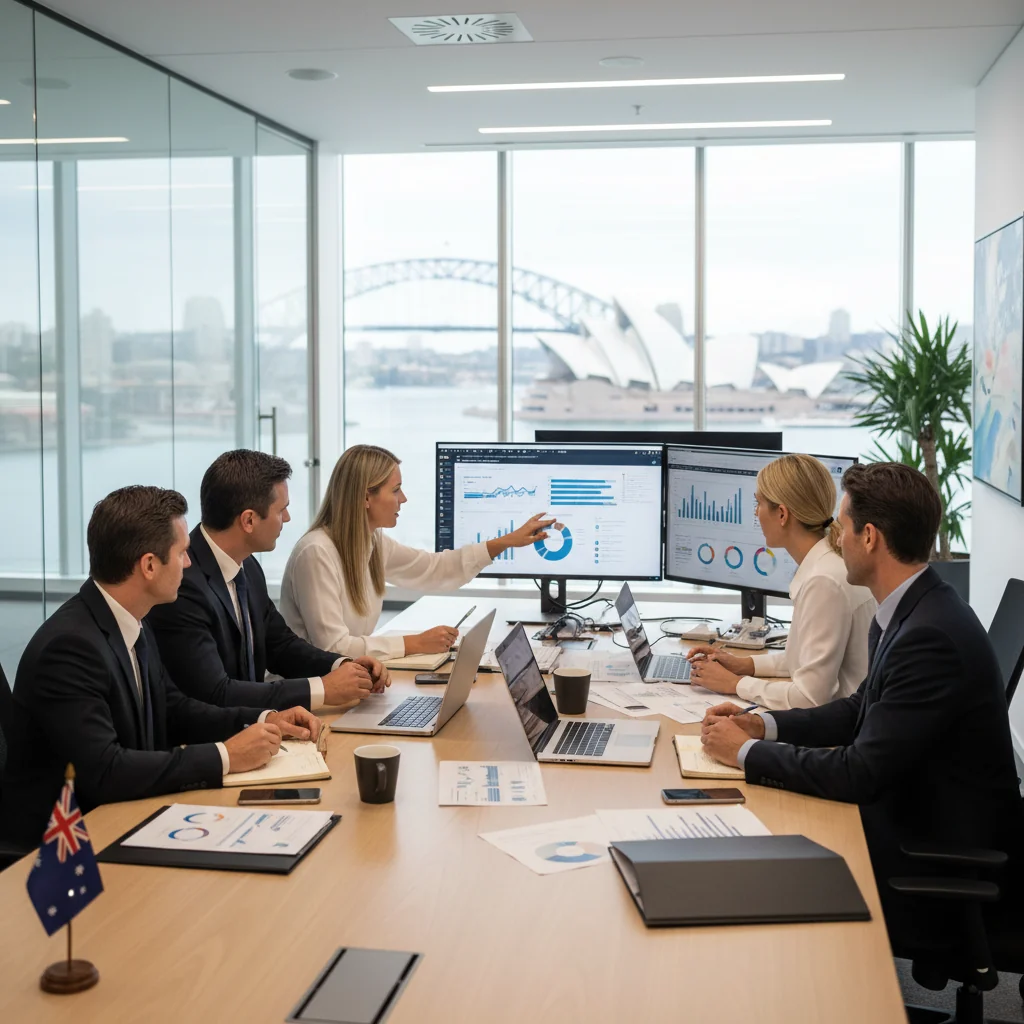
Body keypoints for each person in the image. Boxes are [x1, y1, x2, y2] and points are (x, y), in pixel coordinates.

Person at [700, 462, 1024, 949]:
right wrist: (760, 726)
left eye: (843, 527)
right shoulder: (911, 607)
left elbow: (860, 773)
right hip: (914, 809)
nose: (837, 539)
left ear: (869, 537)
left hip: (930, 847)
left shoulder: (929, 635)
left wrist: (743, 756)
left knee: (755, 867)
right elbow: (857, 710)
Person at [0, 486, 321, 848]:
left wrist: (265, 719)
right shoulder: (69, 648)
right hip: (62, 851)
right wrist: (226, 756)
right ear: (149, 565)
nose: (189, 563)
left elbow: (174, 708)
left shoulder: (132, 618)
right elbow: (107, 769)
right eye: (182, 552)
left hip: (125, 817)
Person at [147, 450, 389, 711]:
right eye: (281, 510)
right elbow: (215, 693)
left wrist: (343, 665)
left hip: (256, 727)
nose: (287, 518)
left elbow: (280, 645)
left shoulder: (247, 566)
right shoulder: (183, 584)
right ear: (249, 520)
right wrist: (323, 689)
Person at [280, 444, 554, 660]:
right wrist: (415, 643)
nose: (404, 498)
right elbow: (333, 648)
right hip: (309, 697)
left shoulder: (373, 542)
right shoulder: (316, 553)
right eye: (396, 490)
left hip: (350, 684)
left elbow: (433, 569)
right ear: (365, 497)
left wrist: (505, 542)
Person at [687, 453, 876, 709]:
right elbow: (805, 660)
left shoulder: (824, 581)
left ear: (783, 514)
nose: (756, 513)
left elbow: (810, 698)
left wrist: (735, 684)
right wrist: (744, 665)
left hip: (838, 732)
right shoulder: (825, 564)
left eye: (759, 503)